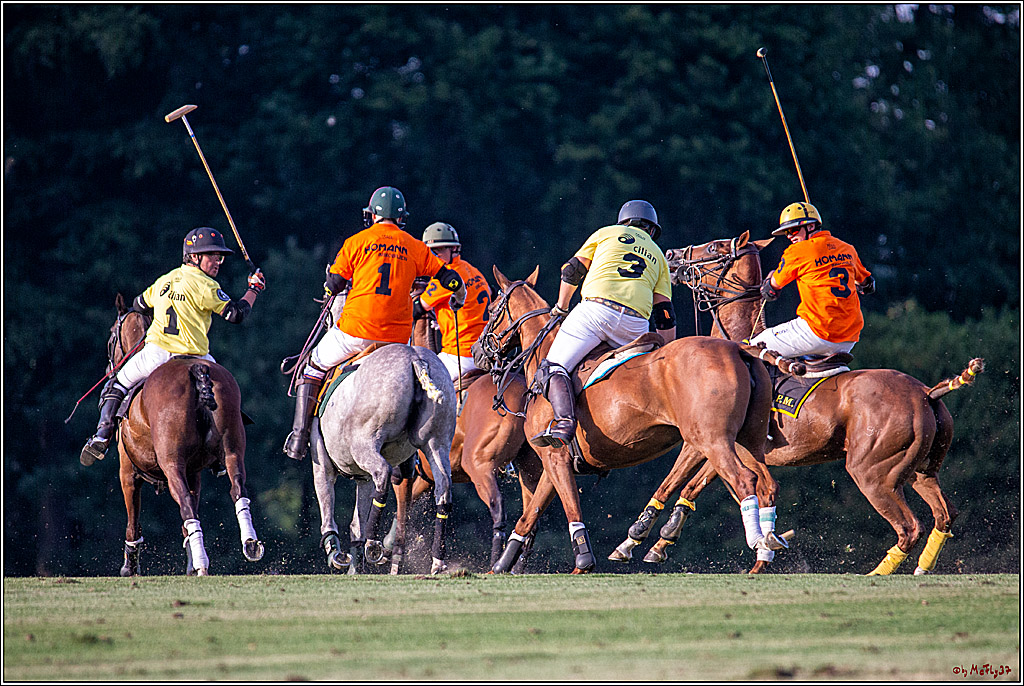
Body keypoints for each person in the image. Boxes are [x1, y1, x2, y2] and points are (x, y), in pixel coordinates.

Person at [283, 187, 467, 461]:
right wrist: (459, 290)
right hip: (396, 338)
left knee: (312, 365)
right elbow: (448, 278)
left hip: (355, 332)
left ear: (371, 215)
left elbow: (334, 283)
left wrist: (331, 283)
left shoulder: (356, 242)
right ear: (401, 218)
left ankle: (299, 437)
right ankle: (409, 456)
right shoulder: (415, 247)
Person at [80, 227, 265, 466]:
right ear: (195, 257)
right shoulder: (207, 286)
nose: (218, 262)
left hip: (157, 354)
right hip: (199, 357)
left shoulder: (164, 281)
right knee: (225, 394)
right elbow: (237, 314)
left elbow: (138, 305)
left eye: (219, 257)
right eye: (212, 256)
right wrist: (254, 289)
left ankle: (101, 436)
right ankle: (221, 452)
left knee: (117, 383)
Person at [530, 199, 676, 449]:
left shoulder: (606, 233)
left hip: (595, 313)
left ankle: (564, 423)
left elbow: (572, 270)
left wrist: (562, 307)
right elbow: (664, 312)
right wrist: (667, 351)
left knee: (551, 369)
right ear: (652, 230)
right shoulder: (659, 256)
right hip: (635, 325)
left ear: (625, 221)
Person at [750, 202, 874, 359]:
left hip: (816, 331)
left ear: (810, 227)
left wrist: (769, 278)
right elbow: (867, 284)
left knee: (750, 349)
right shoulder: (847, 248)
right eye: (786, 232)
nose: (789, 236)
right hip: (849, 338)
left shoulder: (797, 252)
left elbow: (771, 289)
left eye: (793, 229)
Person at [413, 222, 490, 387]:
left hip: (459, 356)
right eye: (430, 252)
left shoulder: (447, 277)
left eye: (439, 251)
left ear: (454, 250)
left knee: (415, 385)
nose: (434, 256)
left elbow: (418, 308)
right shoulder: (474, 271)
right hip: (485, 353)